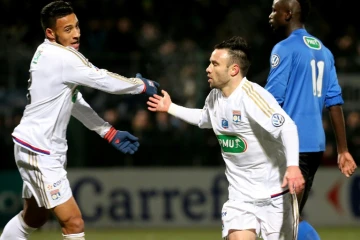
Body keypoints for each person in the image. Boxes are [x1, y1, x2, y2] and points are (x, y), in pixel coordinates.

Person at [0, 1, 159, 240]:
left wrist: (108, 132)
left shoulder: (46, 53)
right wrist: (140, 86)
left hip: (35, 146)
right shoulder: (62, 57)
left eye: (77, 26)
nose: (76, 34)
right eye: (68, 29)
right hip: (39, 149)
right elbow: (103, 79)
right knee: (74, 223)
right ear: (50, 33)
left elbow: (74, 100)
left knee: (34, 217)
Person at [147, 36, 305, 240]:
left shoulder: (252, 97)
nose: (208, 69)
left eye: (214, 64)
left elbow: (288, 128)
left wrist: (293, 167)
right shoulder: (215, 96)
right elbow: (205, 118)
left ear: (234, 70)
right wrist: (171, 108)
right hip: (240, 197)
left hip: (274, 195)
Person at [266, 0, 358, 239]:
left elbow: (271, 101)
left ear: (288, 14)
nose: (270, 14)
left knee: (283, 220)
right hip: (314, 144)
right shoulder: (323, 51)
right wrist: (343, 149)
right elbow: (334, 101)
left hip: (290, 146)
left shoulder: (284, 49)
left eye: (275, 10)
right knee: (287, 217)